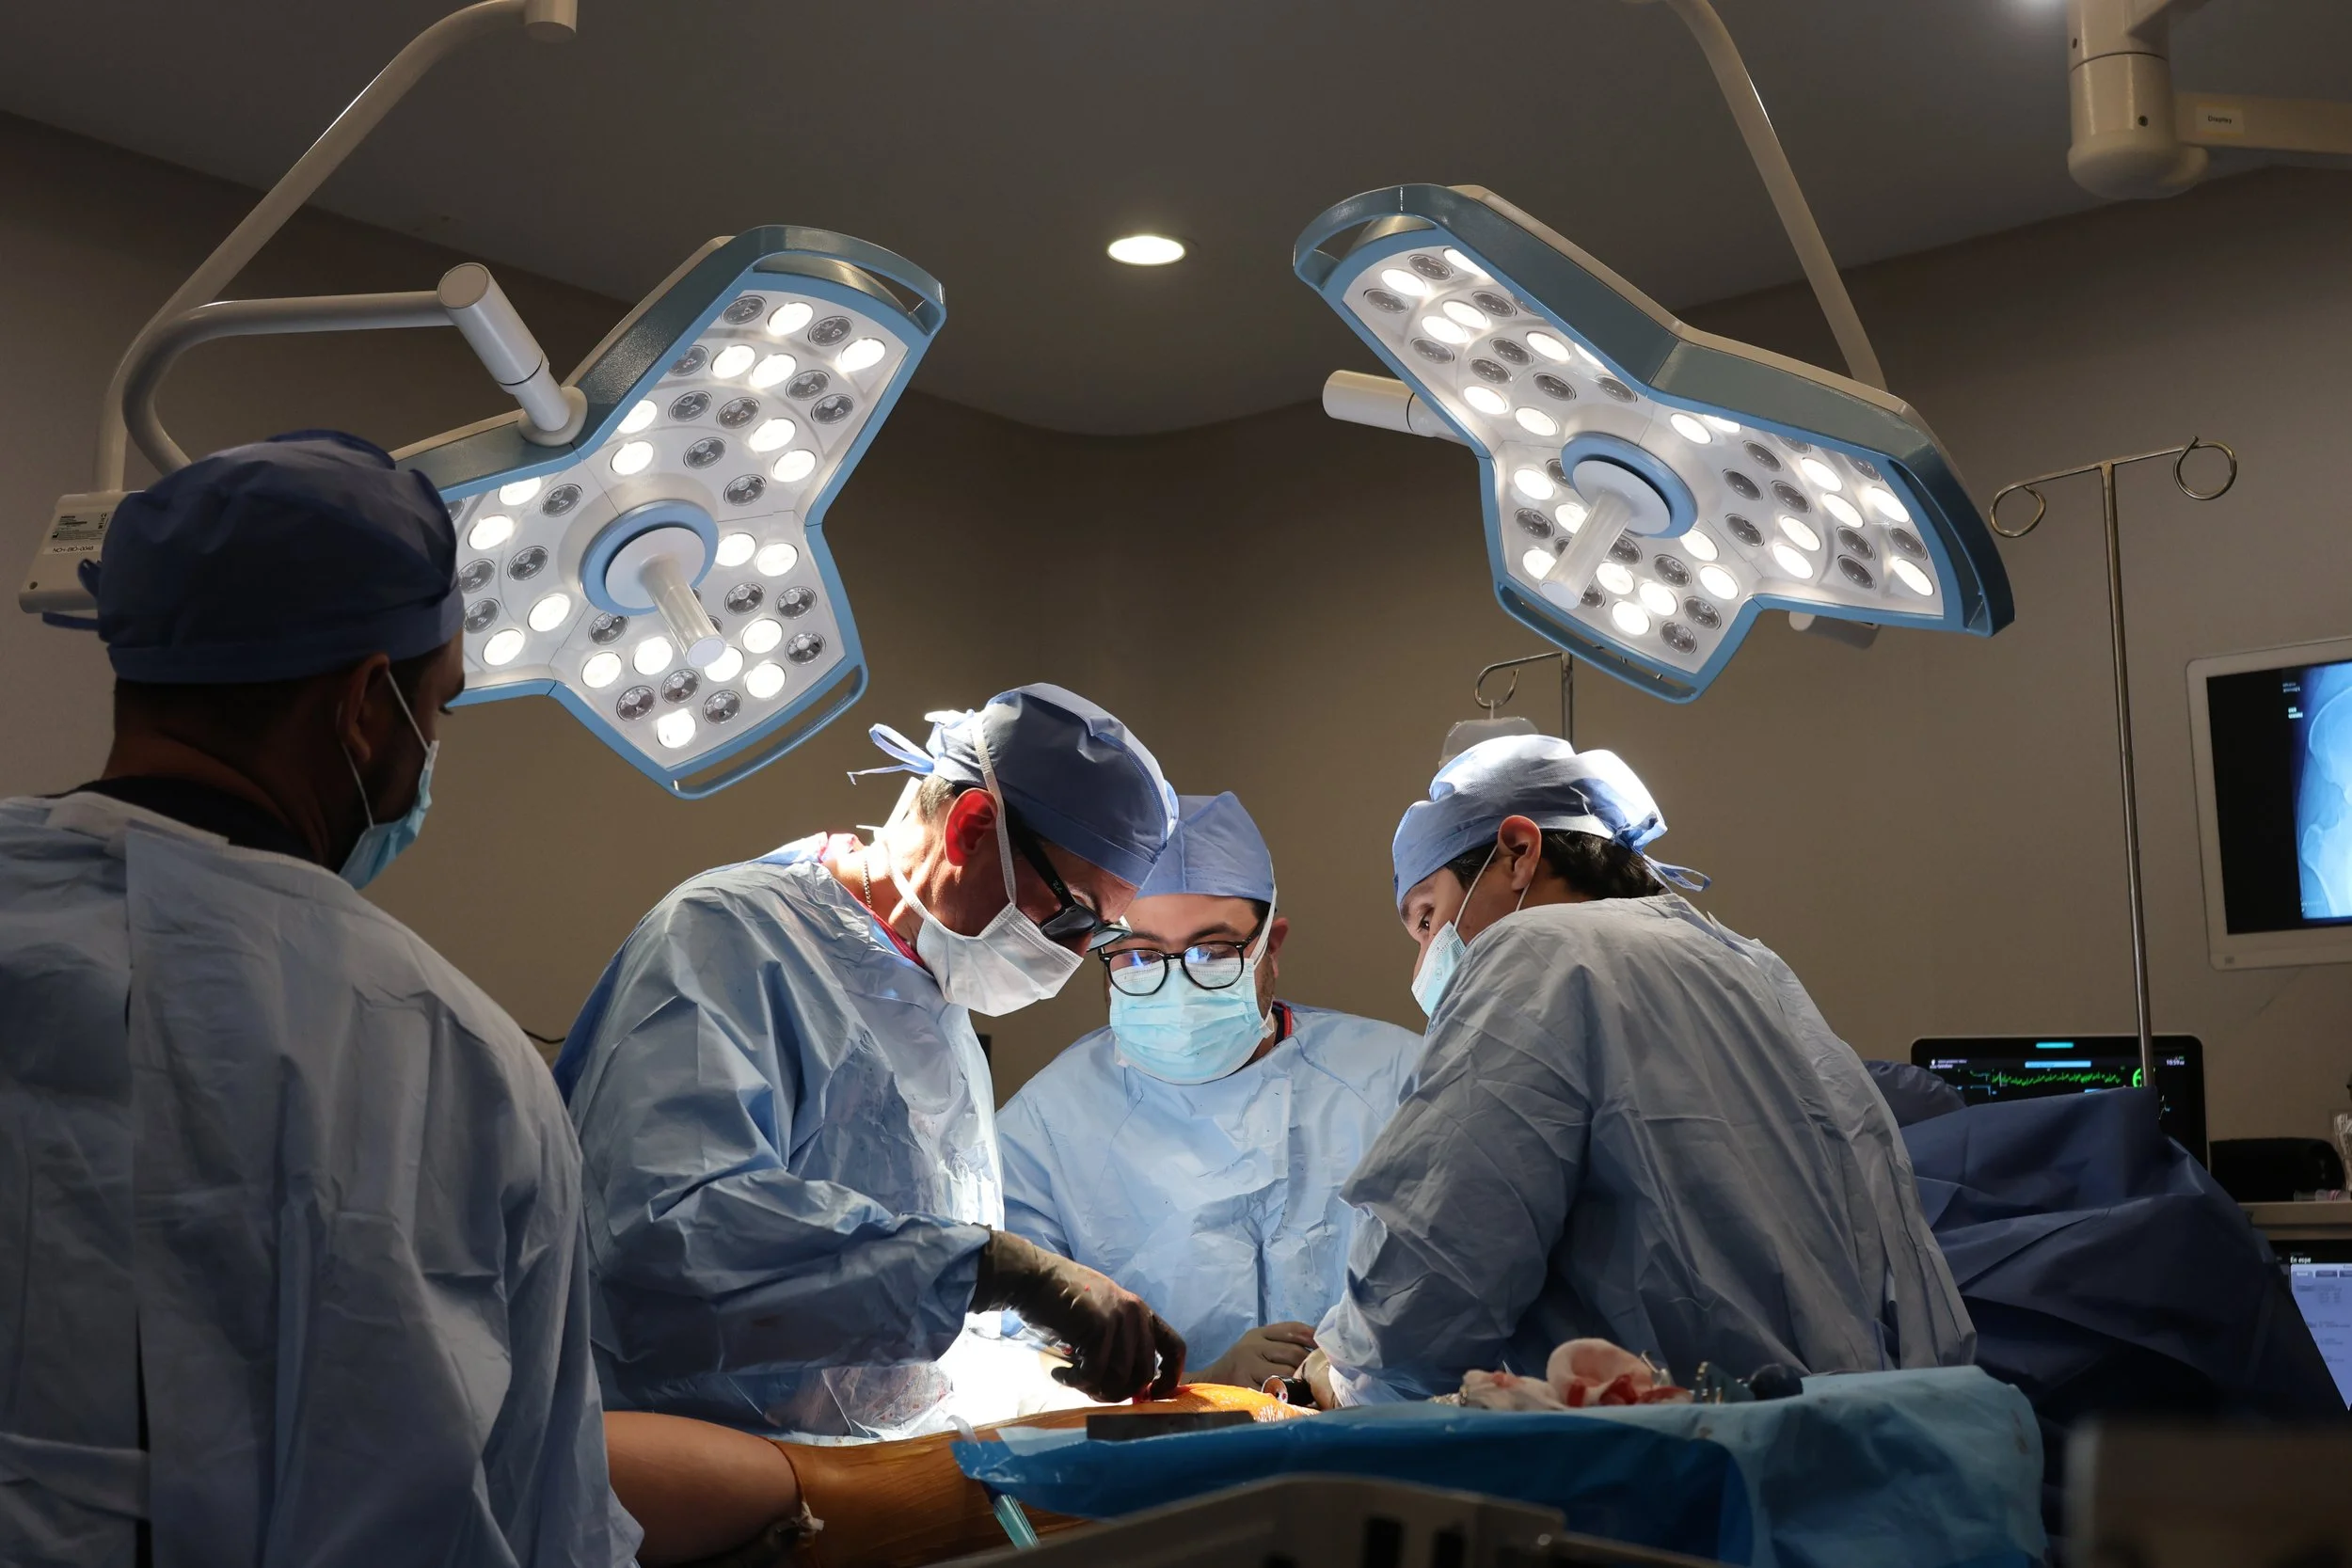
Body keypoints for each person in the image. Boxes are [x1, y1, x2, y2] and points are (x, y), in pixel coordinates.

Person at [0, 433, 636, 1565]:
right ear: (362, 708)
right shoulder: (455, 1058)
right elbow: (552, 1516)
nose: (430, 747)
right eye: (435, 708)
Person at [557, 687, 1189, 1440]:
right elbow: (671, 1241)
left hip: (855, 1483)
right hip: (679, 1485)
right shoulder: (724, 940)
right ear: (971, 826)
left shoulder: (940, 1011)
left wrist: (1041, 1346)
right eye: (1075, 911)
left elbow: (904, 1307)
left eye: (1103, 930)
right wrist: (997, 1270)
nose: (1078, 951)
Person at [1307, 735, 1972, 1406]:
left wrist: (1336, 1376)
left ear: (1518, 850)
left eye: (1426, 917)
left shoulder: (1538, 952)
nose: (1424, 960)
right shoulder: (1749, 963)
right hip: (1845, 1435)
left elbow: (1432, 1284)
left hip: (1670, 1462)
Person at [997, 792, 1424, 1389]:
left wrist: (1353, 1378)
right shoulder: (1046, 1127)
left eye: (1212, 951)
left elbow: (1462, 1287)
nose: (1176, 984)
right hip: (1157, 1471)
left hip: (1376, 1461)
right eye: (1139, 956)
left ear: (1270, 945)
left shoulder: (1397, 1080)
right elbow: (1015, 1352)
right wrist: (1193, 1384)